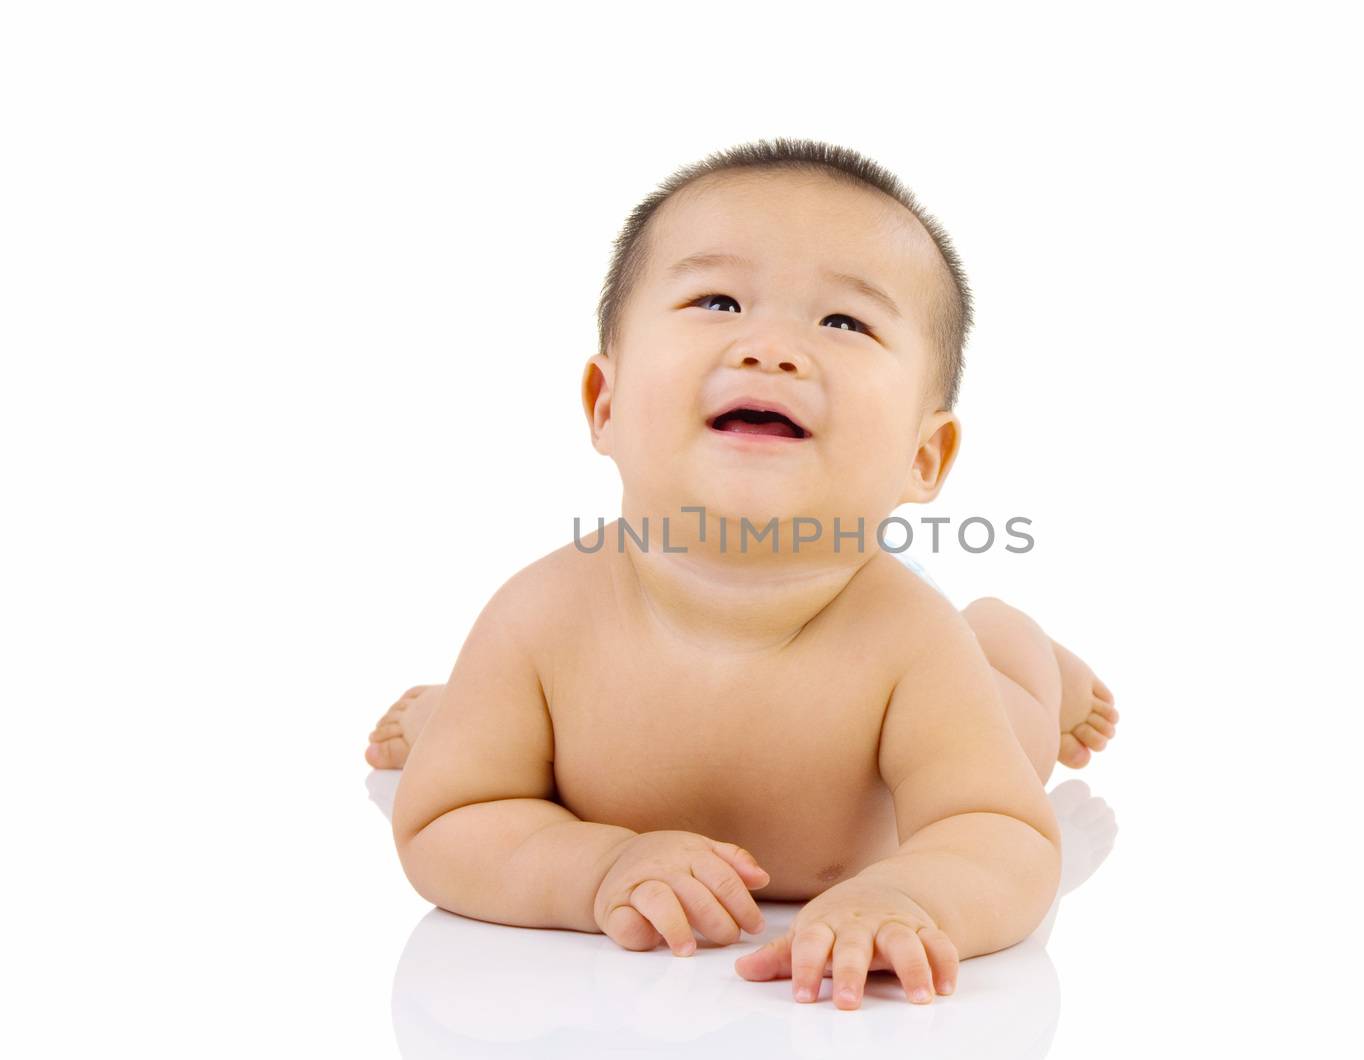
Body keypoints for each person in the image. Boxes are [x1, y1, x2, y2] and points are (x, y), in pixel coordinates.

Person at [365, 138, 1119, 1011]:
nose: (770, 348)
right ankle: (461, 715)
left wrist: (912, 895)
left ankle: (1025, 652)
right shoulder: (541, 618)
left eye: (844, 322)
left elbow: (1002, 832)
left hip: (977, 691)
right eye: (716, 300)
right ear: (604, 405)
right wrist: (596, 866)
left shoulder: (910, 642)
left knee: (1010, 715)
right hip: (524, 689)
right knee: (477, 743)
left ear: (923, 456)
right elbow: (448, 819)